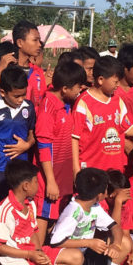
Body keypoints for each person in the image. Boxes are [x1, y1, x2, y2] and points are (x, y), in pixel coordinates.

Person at [0, 160, 93, 265]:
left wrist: (39, 253)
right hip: (16, 262)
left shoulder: (30, 204)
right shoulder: (4, 210)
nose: (39, 186)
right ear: (26, 186)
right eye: (36, 182)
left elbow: (33, 231)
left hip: (32, 253)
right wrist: (30, 254)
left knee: (77, 258)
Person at [49, 168, 129, 265]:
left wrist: (115, 246)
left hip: (85, 257)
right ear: (100, 195)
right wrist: (89, 243)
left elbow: (115, 227)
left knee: (125, 242)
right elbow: (56, 242)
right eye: (106, 189)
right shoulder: (73, 211)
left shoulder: (95, 207)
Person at [34, 61, 86, 243]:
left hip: (62, 175)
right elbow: (44, 145)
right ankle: (36, 260)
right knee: (43, 215)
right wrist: (50, 181)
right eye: (78, 87)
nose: (80, 91)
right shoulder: (48, 107)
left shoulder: (66, 104)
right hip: (49, 177)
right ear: (65, 88)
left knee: (54, 217)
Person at [0, 65, 35, 214]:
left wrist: (27, 145)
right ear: (3, 92)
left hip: (21, 170)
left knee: (20, 210)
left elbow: (33, 133)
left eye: (23, 94)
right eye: (17, 96)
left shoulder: (28, 107)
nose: (21, 99)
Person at [0, 21, 46, 107]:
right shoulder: (6, 70)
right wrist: (0, 69)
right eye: (35, 40)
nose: (39, 44)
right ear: (20, 43)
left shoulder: (38, 72)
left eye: (39, 40)